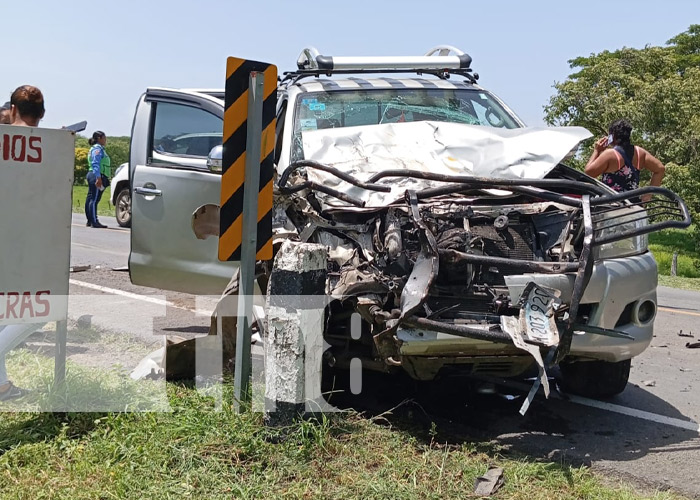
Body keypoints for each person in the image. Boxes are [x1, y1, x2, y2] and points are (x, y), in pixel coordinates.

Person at [0, 86, 46, 401]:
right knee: (39, 311)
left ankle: (1, 387)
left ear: (13, 109)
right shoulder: (48, 148)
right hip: (21, 246)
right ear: (40, 115)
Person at [585, 119, 666, 197]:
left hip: (612, 204)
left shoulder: (609, 154)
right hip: (633, 206)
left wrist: (597, 151)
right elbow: (660, 169)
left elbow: (588, 173)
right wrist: (647, 196)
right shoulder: (639, 152)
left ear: (613, 136)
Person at [85, 131, 111, 228]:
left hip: (94, 174)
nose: (105, 140)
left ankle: (90, 220)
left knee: (91, 197)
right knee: (94, 199)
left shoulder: (97, 149)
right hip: (96, 174)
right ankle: (94, 221)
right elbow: (95, 163)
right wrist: (98, 177)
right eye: (104, 138)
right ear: (99, 138)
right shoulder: (97, 149)